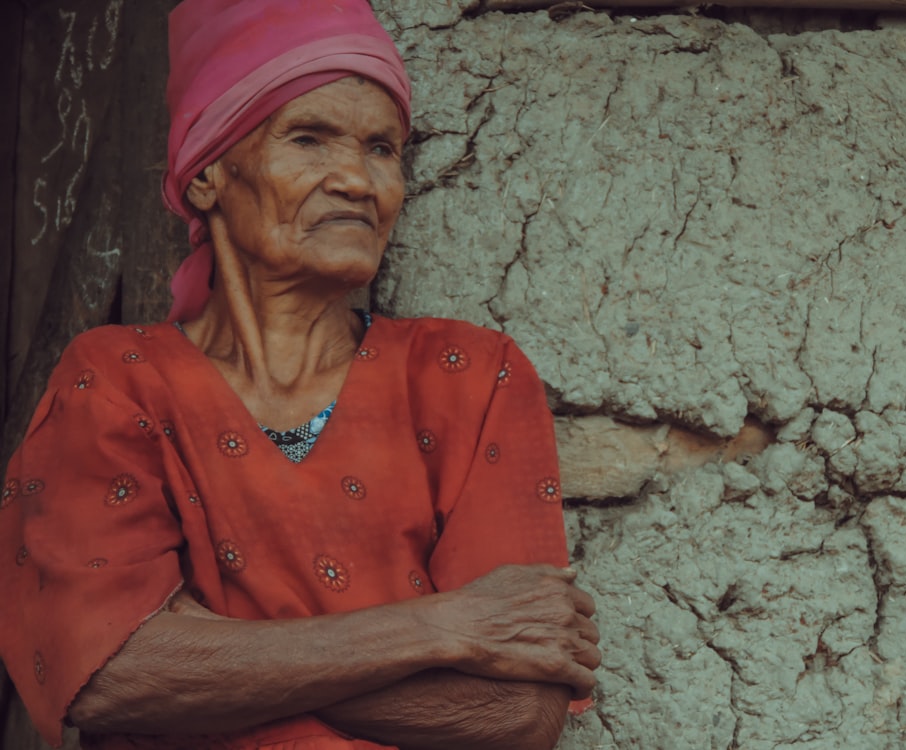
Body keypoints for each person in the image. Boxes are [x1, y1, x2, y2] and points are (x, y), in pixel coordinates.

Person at [0, 1, 601, 748]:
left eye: (382, 148)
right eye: (309, 138)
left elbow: (516, 713)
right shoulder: (118, 380)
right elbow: (106, 678)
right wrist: (446, 626)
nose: (356, 178)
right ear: (207, 175)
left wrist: (210, 662)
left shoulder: (469, 378)